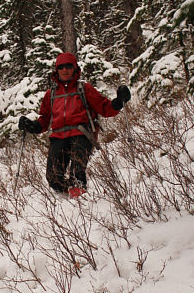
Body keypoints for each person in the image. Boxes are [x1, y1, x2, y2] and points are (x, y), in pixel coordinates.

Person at [18, 51, 131, 198]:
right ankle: (67, 199)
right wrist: (32, 126)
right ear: (56, 70)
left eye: (68, 66)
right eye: (61, 67)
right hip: (58, 136)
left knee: (77, 171)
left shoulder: (84, 89)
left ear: (75, 69)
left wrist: (118, 102)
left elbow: (105, 108)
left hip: (82, 134)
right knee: (53, 177)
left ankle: (79, 201)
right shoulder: (51, 94)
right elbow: (45, 120)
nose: (65, 70)